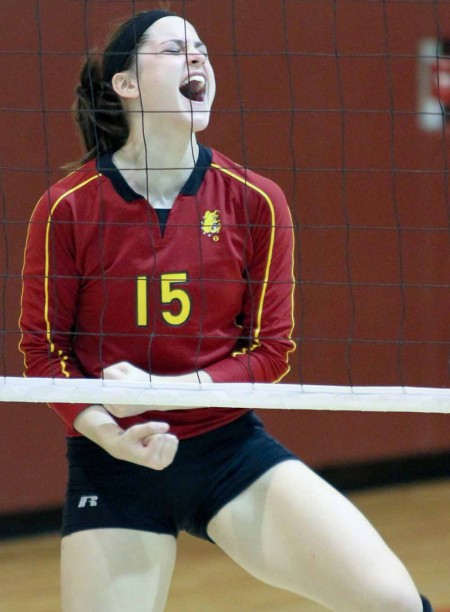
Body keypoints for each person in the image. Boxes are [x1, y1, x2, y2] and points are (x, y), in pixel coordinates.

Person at [19, 7, 434, 612]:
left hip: (228, 452)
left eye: (204, 49)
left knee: (394, 601)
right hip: (114, 463)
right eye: (174, 50)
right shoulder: (68, 208)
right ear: (125, 84)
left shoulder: (255, 199)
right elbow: (42, 353)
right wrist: (107, 433)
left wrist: (171, 388)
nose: (199, 59)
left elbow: (271, 352)